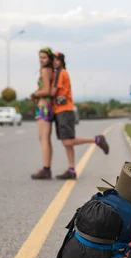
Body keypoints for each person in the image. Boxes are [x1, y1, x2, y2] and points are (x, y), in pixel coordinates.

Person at [51, 52, 109, 180]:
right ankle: (71, 170)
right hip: (64, 110)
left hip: (64, 110)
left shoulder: (60, 73)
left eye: (57, 60)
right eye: (53, 60)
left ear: (61, 61)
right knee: (68, 143)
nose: (54, 62)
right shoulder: (61, 72)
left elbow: (54, 91)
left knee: (67, 141)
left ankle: (96, 140)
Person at [30, 48, 55, 180]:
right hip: (46, 106)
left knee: (44, 139)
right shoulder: (49, 70)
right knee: (45, 139)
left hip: (44, 107)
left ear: (49, 59)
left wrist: (35, 94)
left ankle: (46, 169)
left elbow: (47, 90)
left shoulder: (45, 70)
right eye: (40, 57)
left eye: (44, 57)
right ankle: (46, 168)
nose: (41, 60)